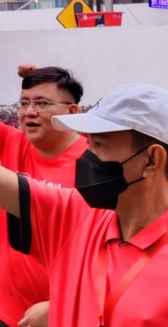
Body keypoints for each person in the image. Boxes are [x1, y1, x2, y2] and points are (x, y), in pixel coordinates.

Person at [0, 83, 168, 326]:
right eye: (88, 144)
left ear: (152, 160)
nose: (86, 158)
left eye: (100, 145)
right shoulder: (75, 216)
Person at [0, 66, 87, 327]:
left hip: (61, 316)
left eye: (42, 103)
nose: (29, 112)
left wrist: (61, 305)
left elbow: (110, 254)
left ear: (72, 112)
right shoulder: (10, 143)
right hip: (5, 310)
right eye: (24, 103)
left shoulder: (95, 163)